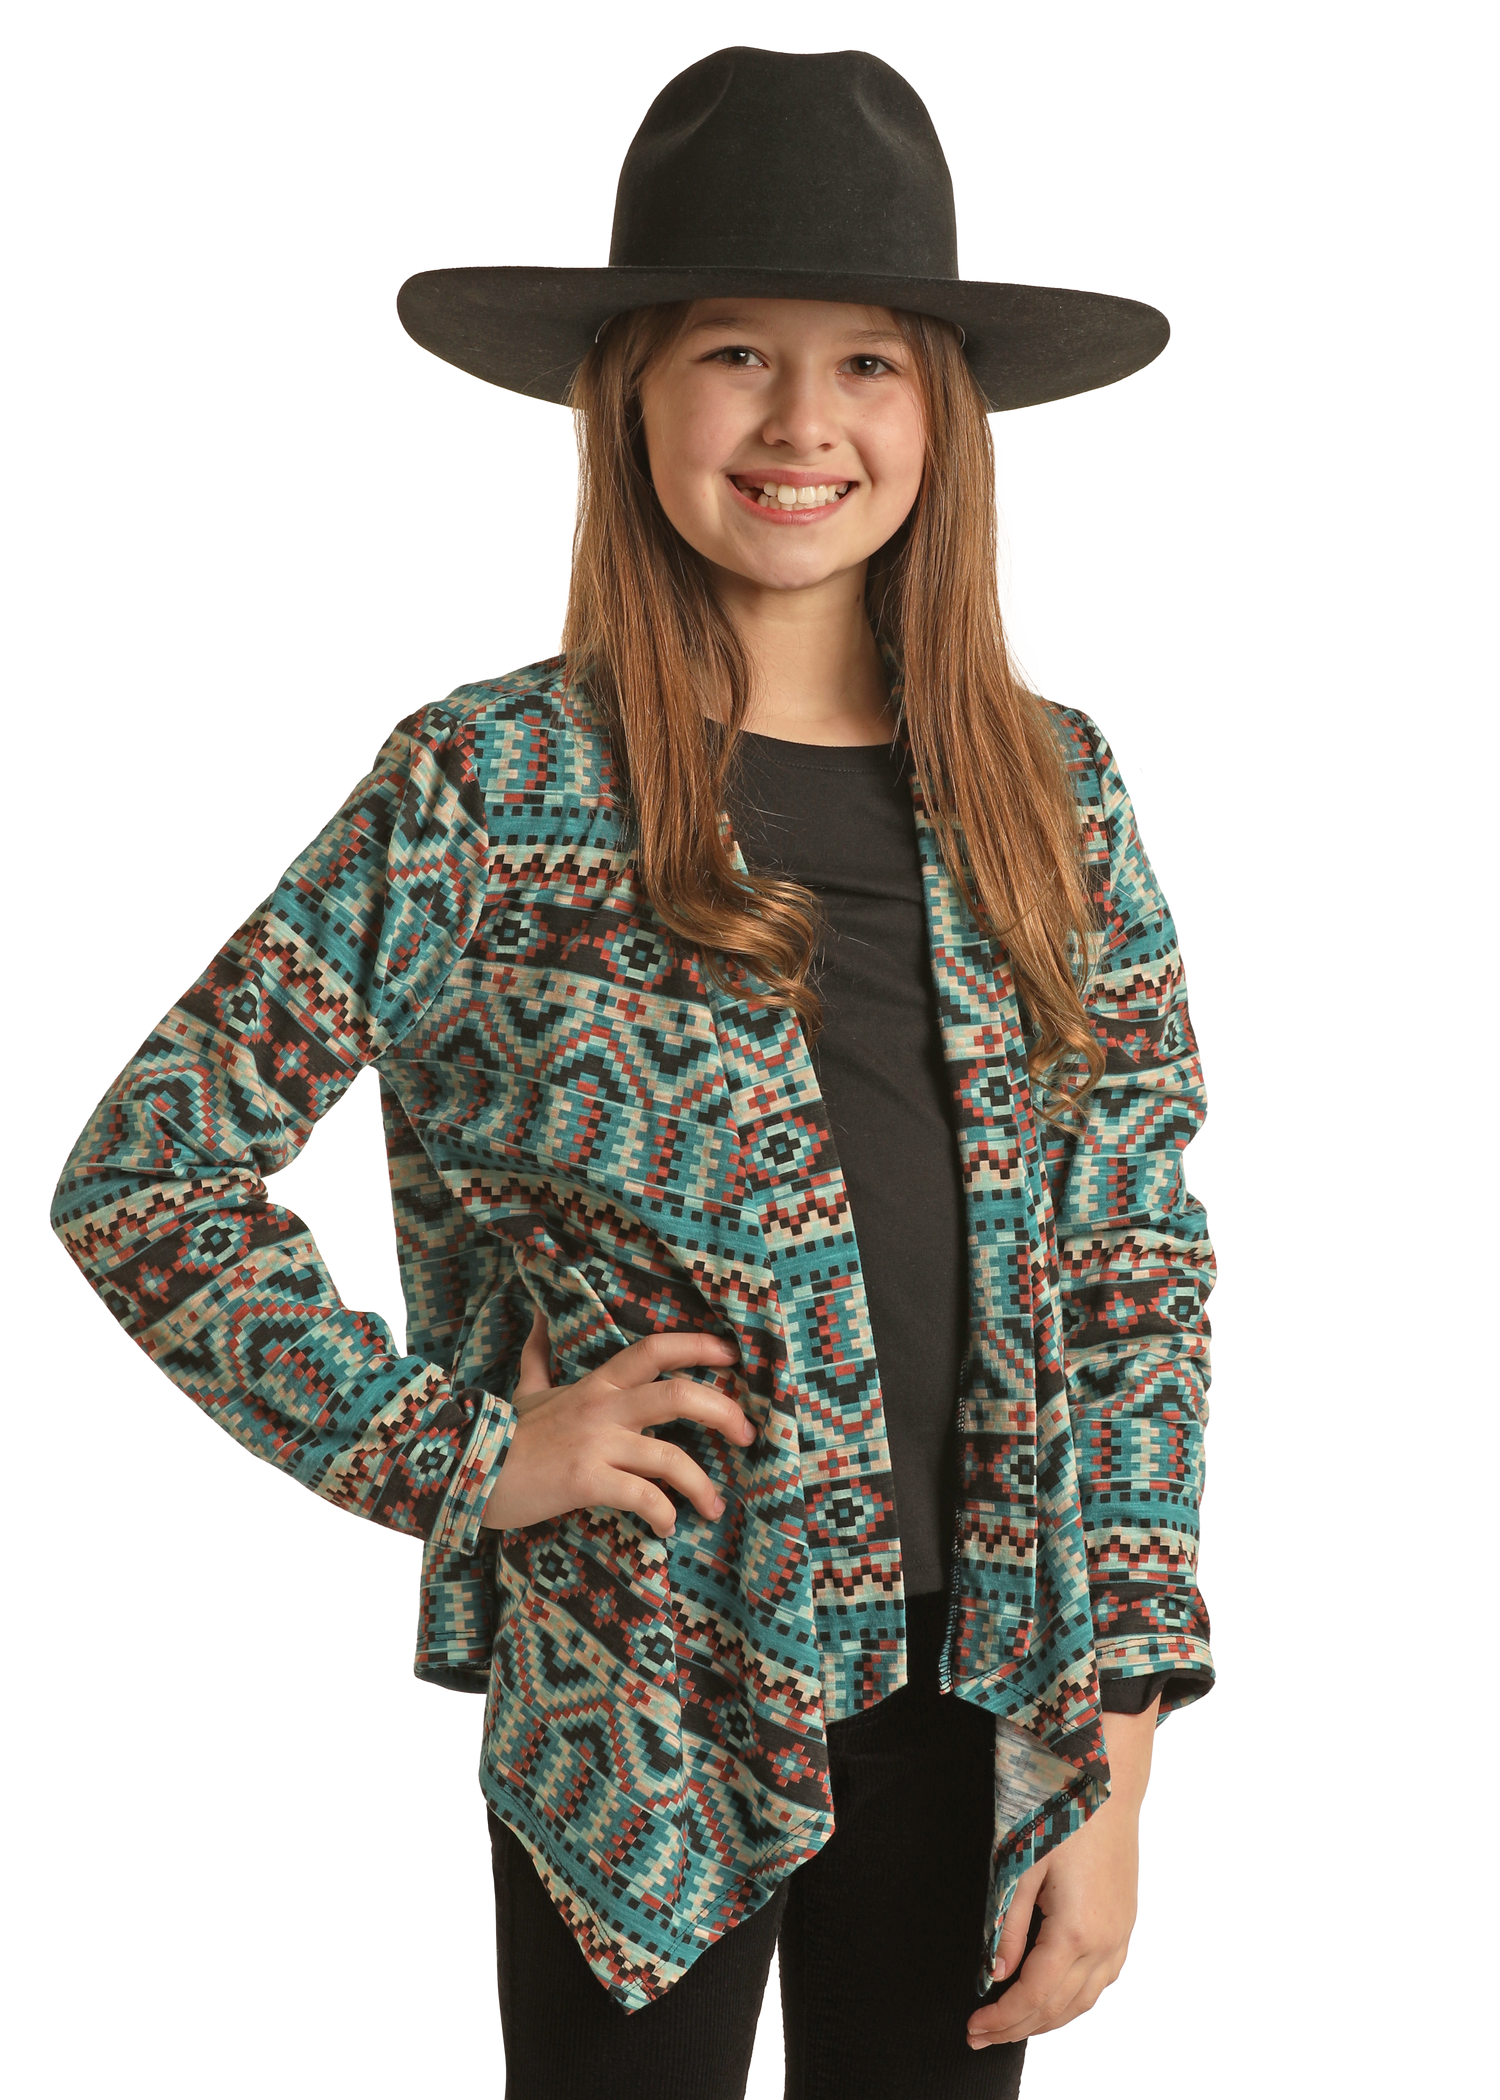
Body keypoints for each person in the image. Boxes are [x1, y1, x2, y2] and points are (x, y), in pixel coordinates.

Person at [48, 43, 1218, 2100]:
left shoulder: (1060, 796)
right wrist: (465, 1454)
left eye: (868, 364)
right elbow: (150, 1179)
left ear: (942, 414)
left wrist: (1114, 1758)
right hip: (645, 1695)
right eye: (734, 355)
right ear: (630, 399)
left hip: (995, 1683)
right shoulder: (490, 779)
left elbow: (1140, 1282)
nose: (801, 424)